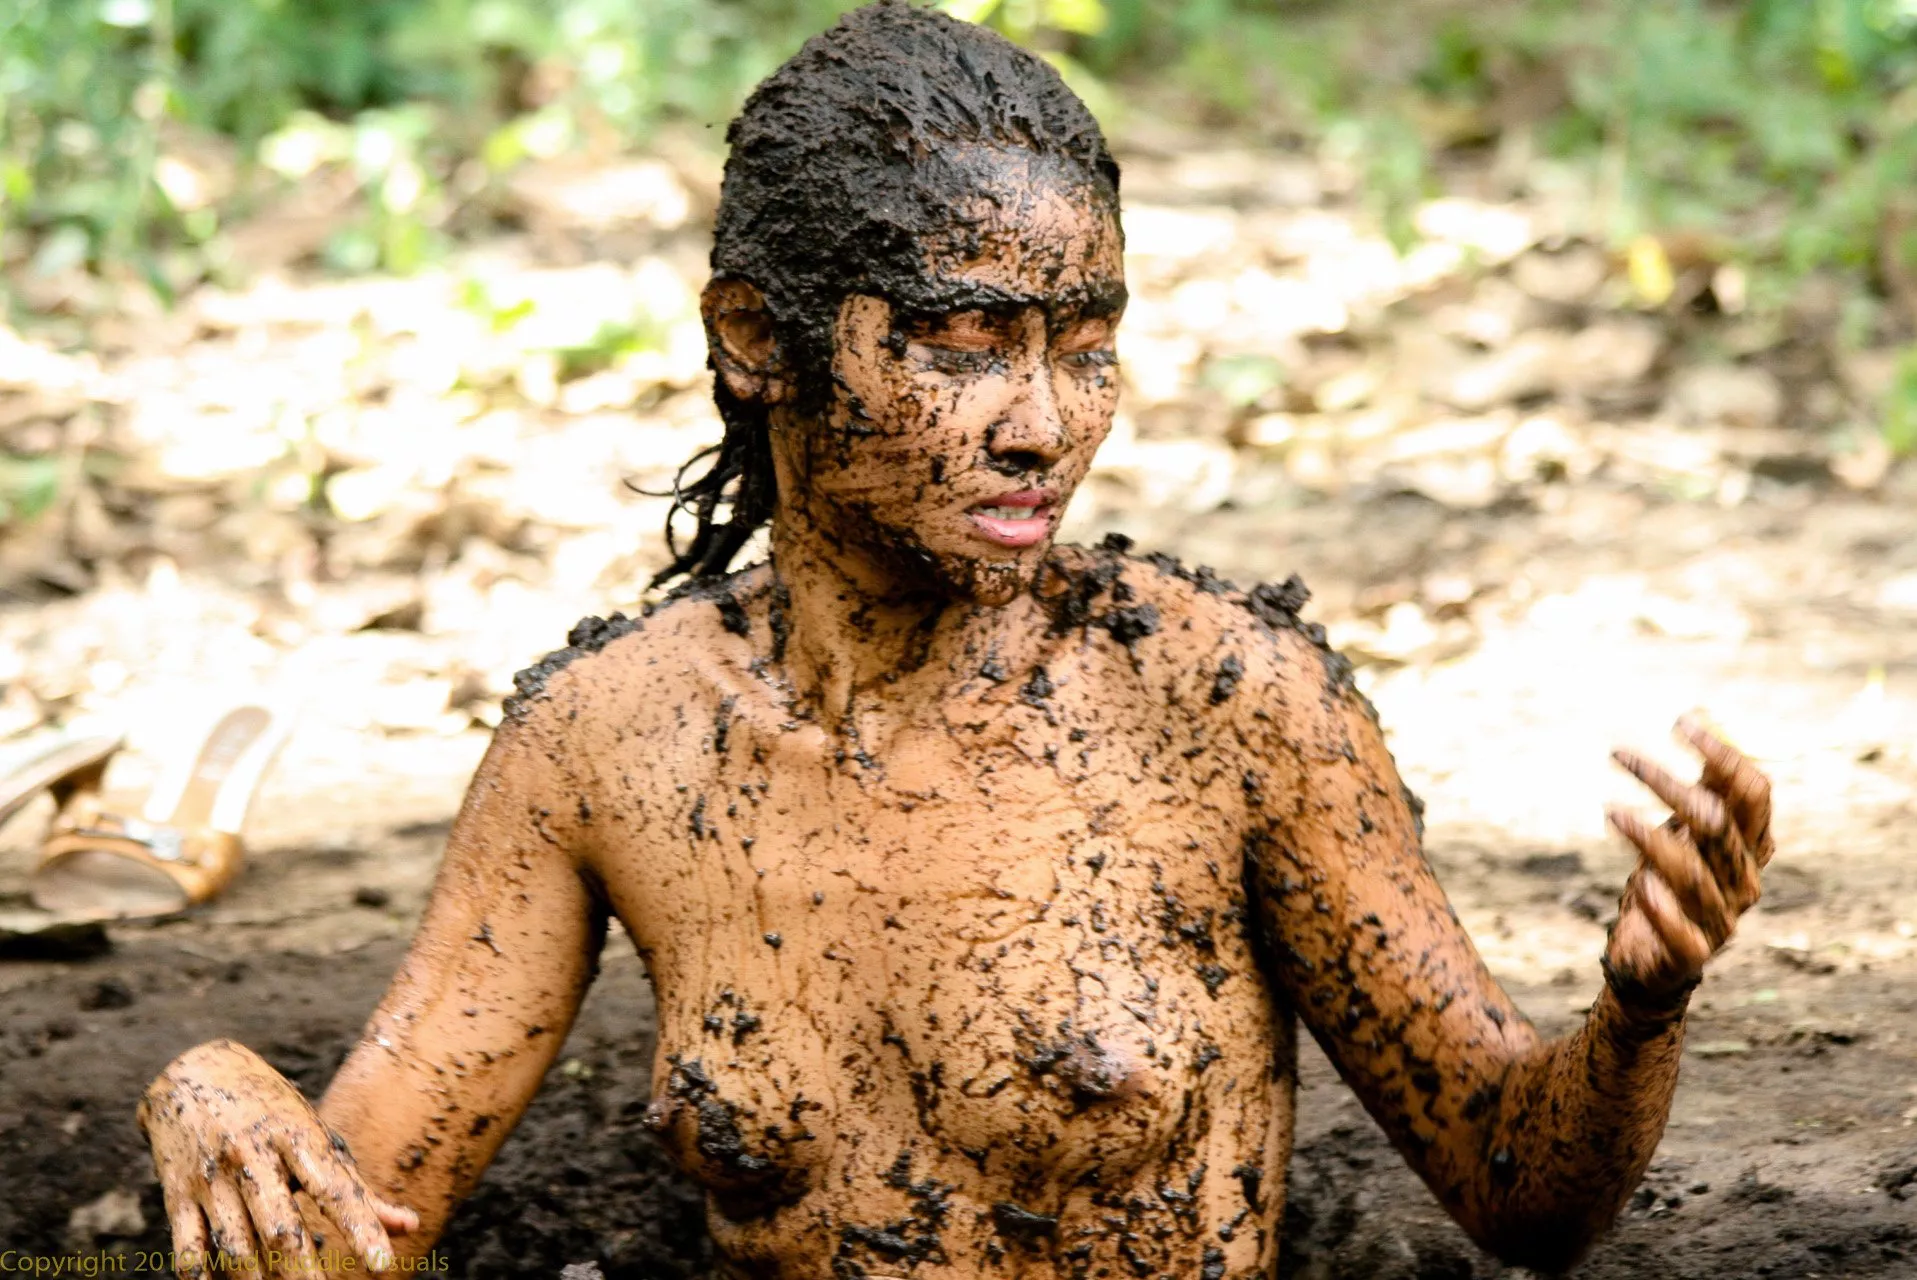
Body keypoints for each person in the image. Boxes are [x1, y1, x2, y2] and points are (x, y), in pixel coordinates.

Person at [137, 4, 1778, 1277]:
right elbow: (351, 1228)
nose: (1041, 425)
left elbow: (1522, 1198)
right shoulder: (610, 748)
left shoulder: (1217, 701)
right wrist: (207, 1086)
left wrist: (1636, 1013)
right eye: (967, 342)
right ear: (755, 339)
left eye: (1085, 349)